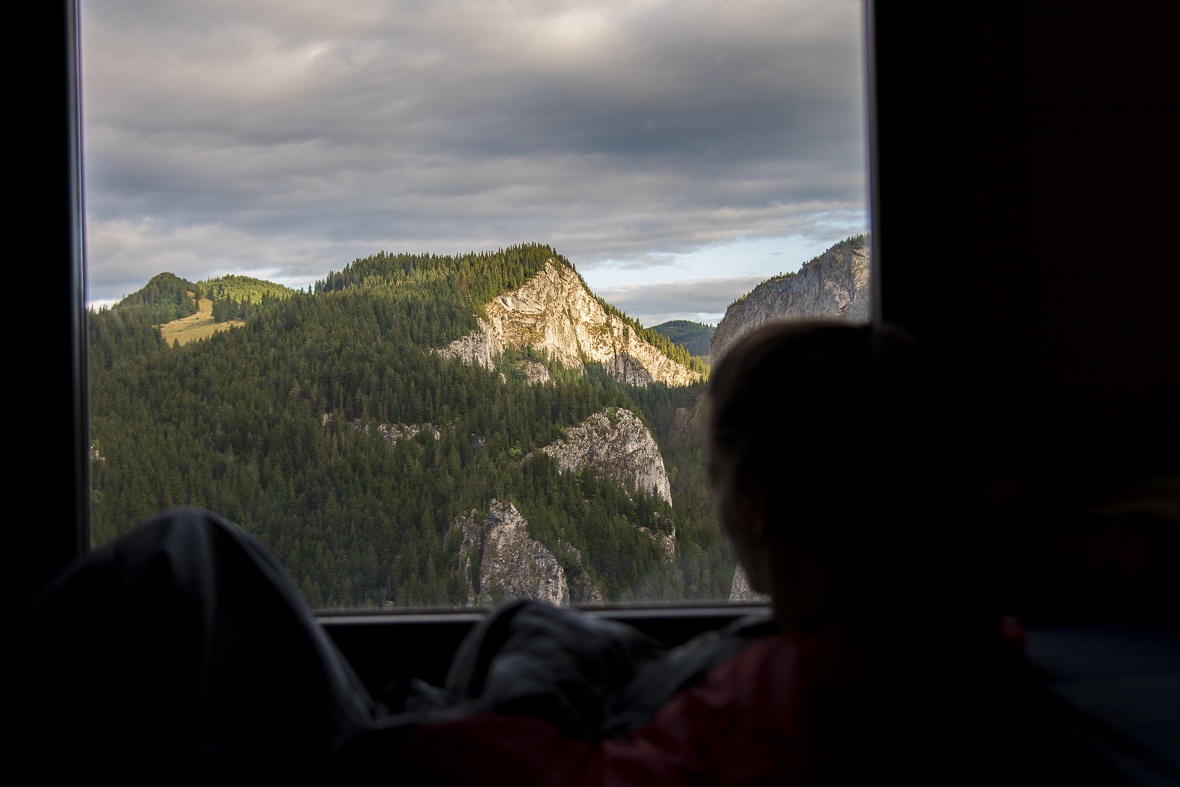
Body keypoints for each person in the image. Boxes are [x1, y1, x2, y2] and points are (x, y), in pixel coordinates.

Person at [2, 320, 997, 780]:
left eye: (718, 479)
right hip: (460, 716)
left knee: (188, 556)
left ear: (764, 507)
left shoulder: (811, 697)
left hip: (394, 758)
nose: (717, 507)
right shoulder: (914, 648)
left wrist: (537, 641)